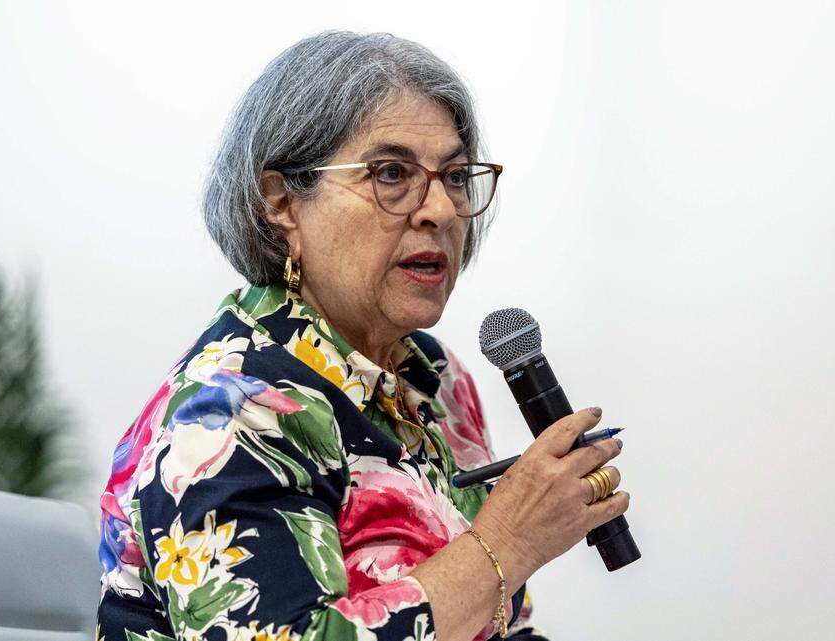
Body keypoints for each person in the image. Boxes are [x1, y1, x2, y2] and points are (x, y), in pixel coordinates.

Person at [96, 31, 629, 641]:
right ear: (281, 201)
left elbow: (500, 626)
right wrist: (506, 542)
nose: (441, 210)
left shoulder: (437, 381)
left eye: (455, 176)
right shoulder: (226, 411)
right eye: (392, 173)